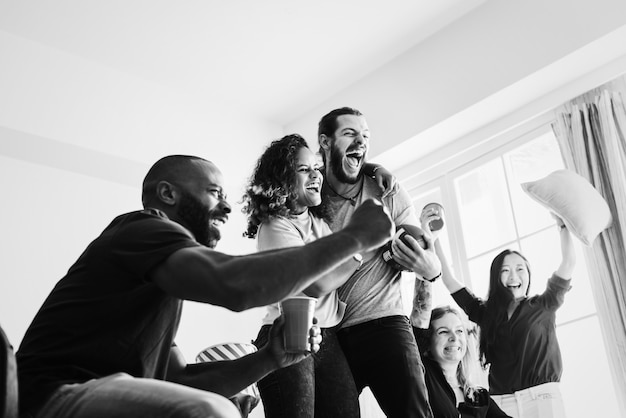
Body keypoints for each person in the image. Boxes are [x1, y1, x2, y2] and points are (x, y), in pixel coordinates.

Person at [15, 154, 395, 418]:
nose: (227, 208)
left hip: (88, 395)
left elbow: (183, 379)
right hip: (49, 398)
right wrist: (355, 237)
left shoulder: (153, 279)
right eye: (215, 193)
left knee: (215, 404)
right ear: (168, 195)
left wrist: (270, 359)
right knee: (209, 412)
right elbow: (235, 284)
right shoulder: (142, 228)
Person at [241, 134, 398, 417]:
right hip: (286, 332)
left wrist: (375, 169)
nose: (316, 175)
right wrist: (358, 248)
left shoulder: (317, 219)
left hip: (326, 336)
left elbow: (341, 170)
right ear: (282, 181)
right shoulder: (275, 227)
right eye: (304, 170)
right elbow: (314, 285)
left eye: (316, 167)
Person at [317, 107, 441, 418]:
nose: (360, 141)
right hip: (332, 335)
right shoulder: (311, 195)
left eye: (366, 136)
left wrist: (425, 261)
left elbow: (425, 254)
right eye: (349, 134)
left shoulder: (387, 189)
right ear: (325, 141)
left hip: (386, 325)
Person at [432, 211, 575, 418]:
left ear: (528, 274)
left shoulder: (545, 304)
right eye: (505, 270)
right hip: (501, 402)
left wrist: (563, 226)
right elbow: (450, 281)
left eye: (520, 269)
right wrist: (434, 239)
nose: (513, 276)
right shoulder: (485, 312)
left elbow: (568, 263)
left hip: (542, 399)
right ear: (496, 277)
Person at [411, 279, 511, 417]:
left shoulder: (479, 396)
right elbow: (416, 330)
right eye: (443, 332)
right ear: (427, 342)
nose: (454, 337)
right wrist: (425, 275)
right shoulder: (422, 381)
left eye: (459, 331)